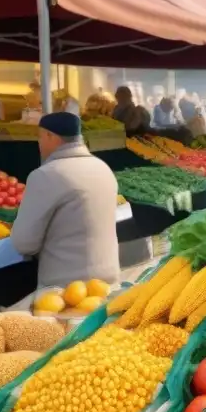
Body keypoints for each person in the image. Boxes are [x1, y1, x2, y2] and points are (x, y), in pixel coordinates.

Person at [11, 112, 120, 286]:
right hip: (108, 279)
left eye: (40, 137)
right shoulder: (103, 168)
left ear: (50, 136)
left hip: (67, 289)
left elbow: (24, 243)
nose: (39, 143)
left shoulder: (46, 175)